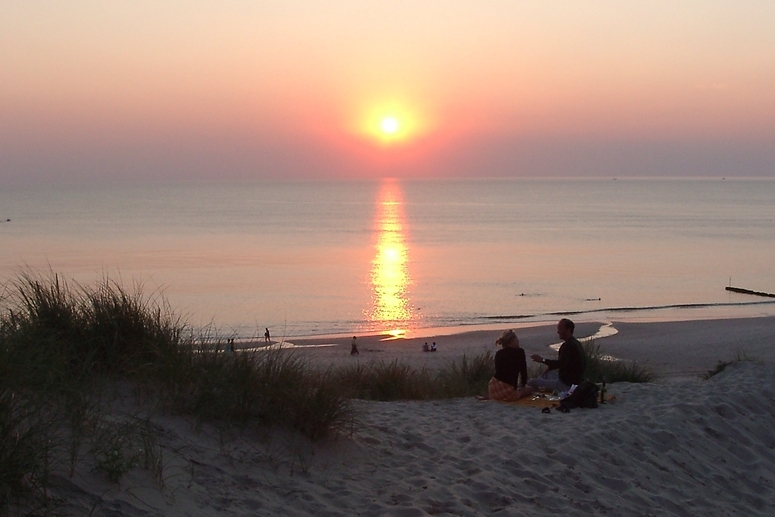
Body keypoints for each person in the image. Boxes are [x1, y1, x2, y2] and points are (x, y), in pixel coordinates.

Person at [528, 318, 586, 393]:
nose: (558, 332)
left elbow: (561, 364)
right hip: (576, 381)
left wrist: (542, 360)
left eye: (560, 329)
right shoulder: (577, 343)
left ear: (568, 330)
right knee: (547, 374)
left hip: (566, 384)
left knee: (532, 382)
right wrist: (550, 367)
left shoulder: (567, 346)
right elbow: (565, 363)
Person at [482, 330, 533, 401]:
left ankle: (493, 396)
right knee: (530, 389)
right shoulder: (520, 352)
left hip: (493, 386)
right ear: (512, 341)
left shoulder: (499, 353)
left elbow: (499, 371)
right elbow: (523, 371)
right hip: (507, 390)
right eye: (516, 339)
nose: (518, 341)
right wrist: (523, 385)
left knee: (516, 388)